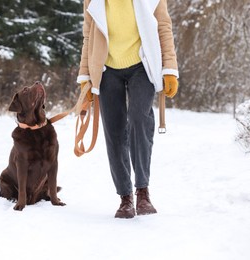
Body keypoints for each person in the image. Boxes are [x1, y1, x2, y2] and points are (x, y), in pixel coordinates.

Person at [77, 0, 179, 218]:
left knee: (139, 118)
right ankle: (125, 197)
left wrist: (170, 68)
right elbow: (88, 37)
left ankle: (142, 191)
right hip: (107, 68)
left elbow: (163, 26)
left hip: (142, 65)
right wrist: (85, 75)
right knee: (113, 131)